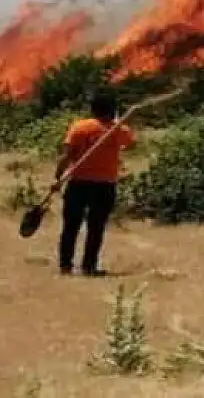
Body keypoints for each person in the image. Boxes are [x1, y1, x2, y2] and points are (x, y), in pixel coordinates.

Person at [53, 91, 135, 277]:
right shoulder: (119, 130)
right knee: (95, 227)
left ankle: (65, 266)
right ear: (113, 110)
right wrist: (117, 123)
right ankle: (89, 267)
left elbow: (67, 155)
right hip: (104, 186)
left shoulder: (79, 127)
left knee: (70, 226)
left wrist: (58, 178)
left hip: (78, 183)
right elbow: (131, 143)